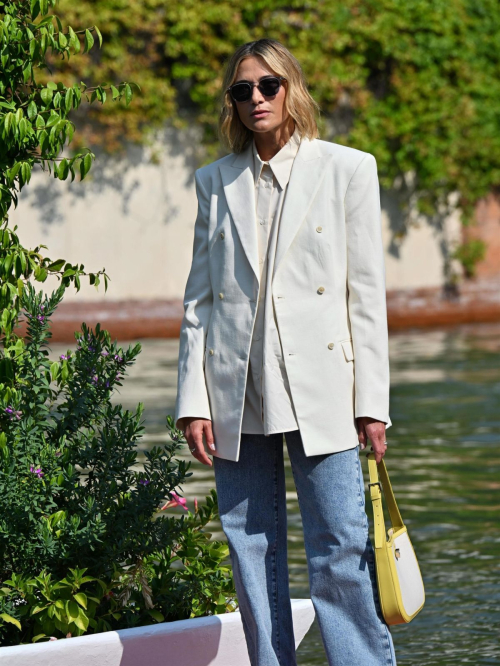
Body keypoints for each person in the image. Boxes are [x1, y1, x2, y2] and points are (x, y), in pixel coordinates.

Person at [174, 38, 396, 666]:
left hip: (325, 386)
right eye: (241, 90)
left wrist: (371, 404)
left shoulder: (346, 169)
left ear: (290, 89)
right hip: (236, 390)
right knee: (249, 547)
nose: (254, 100)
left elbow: (365, 297)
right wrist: (193, 401)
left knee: (341, 548)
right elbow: (200, 302)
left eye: (267, 86)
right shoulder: (214, 181)